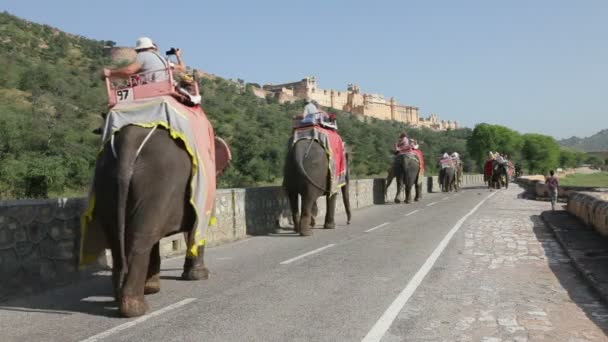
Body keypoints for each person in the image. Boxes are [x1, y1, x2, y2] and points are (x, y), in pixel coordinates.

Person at [103, 37, 170, 82]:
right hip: (164, 85)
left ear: (139, 49)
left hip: (151, 87)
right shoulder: (161, 58)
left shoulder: (143, 55)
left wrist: (111, 72)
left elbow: (129, 71)